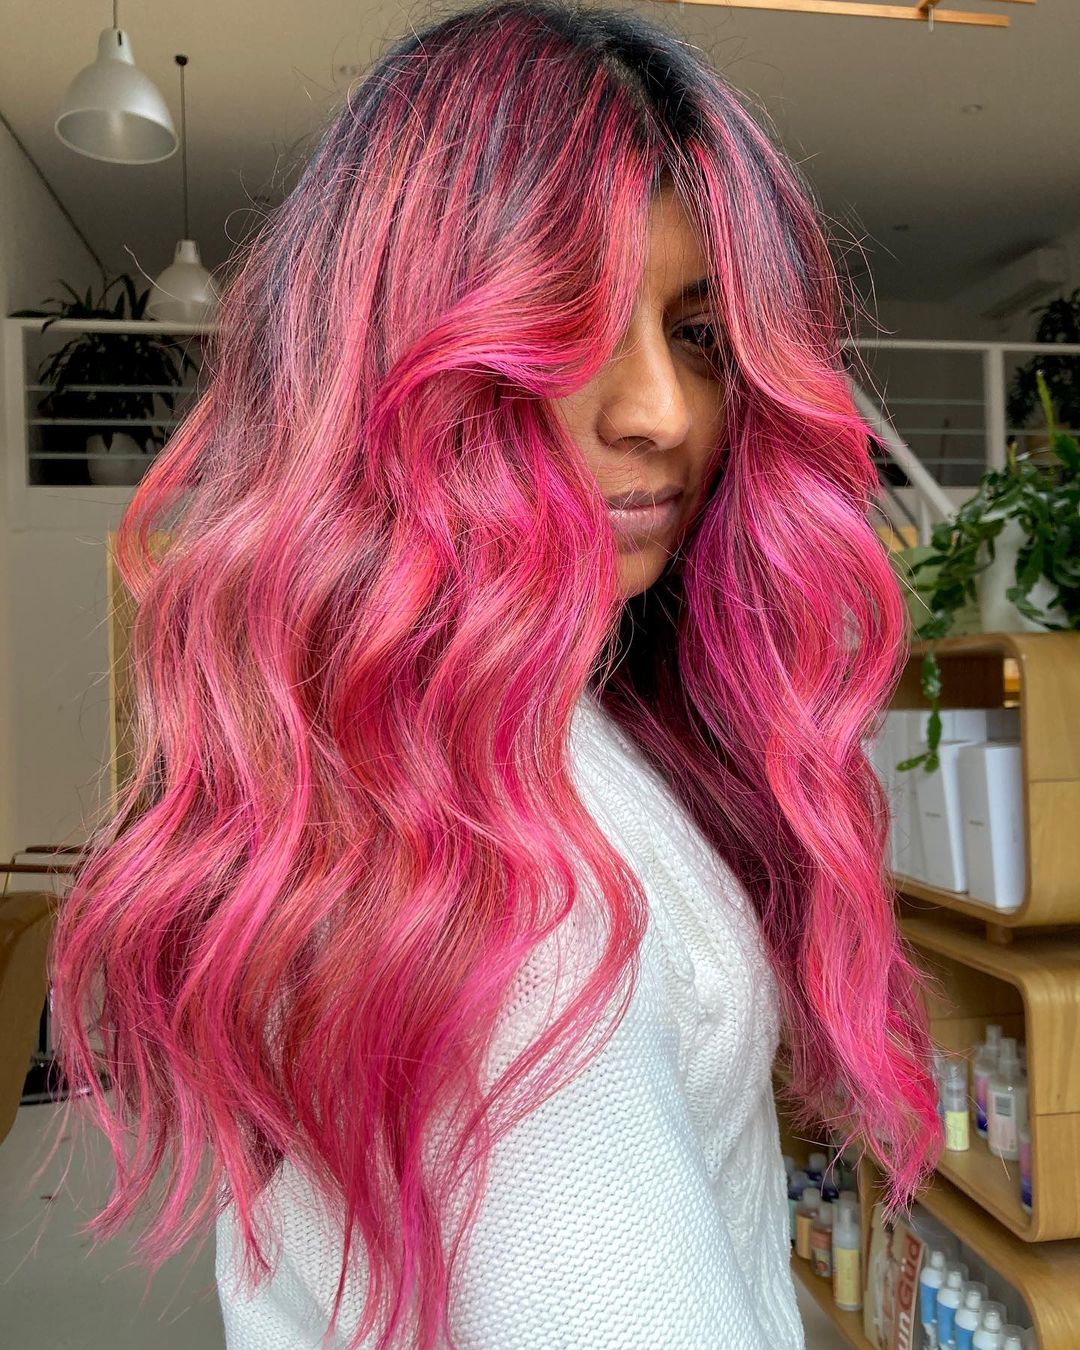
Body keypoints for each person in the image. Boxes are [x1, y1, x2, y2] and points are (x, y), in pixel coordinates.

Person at [41, 2, 943, 1347]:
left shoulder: (418, 740)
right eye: (569, 329)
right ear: (399, 360)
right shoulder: (511, 887)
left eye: (700, 333)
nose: (664, 412)